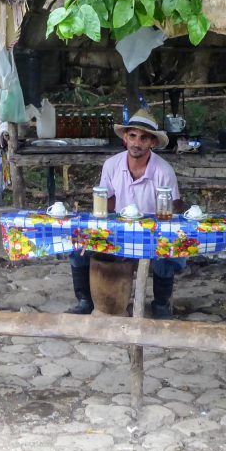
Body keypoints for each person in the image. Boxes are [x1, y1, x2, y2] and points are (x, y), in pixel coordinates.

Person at [67, 109, 186, 319]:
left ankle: (161, 304)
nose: (136, 143)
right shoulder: (112, 165)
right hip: (118, 233)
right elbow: (107, 203)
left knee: (166, 251)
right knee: (78, 244)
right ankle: (84, 300)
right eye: (132, 136)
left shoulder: (164, 171)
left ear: (153, 143)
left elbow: (174, 207)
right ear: (125, 137)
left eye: (144, 138)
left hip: (152, 235)